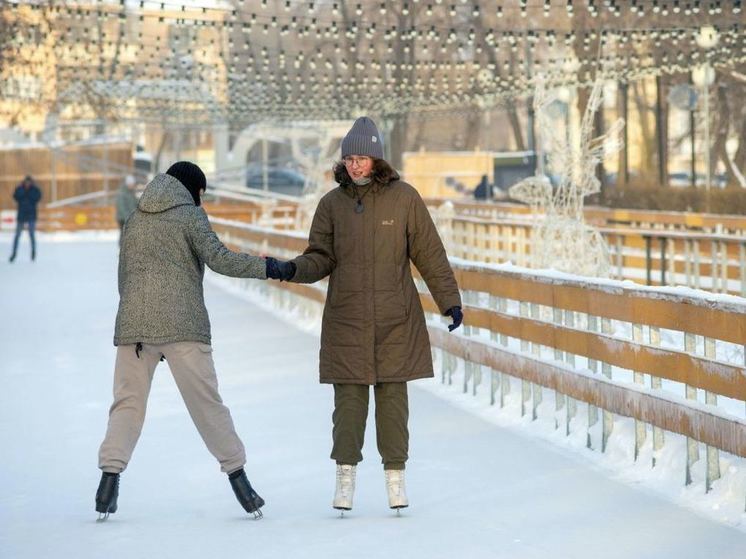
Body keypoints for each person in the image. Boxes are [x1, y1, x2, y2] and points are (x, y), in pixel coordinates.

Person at [265, 117, 463, 514]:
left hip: (396, 319)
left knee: (393, 404)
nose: (355, 165)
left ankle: (396, 480)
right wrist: (290, 269)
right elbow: (319, 258)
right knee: (349, 407)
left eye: (363, 158)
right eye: (350, 158)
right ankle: (345, 480)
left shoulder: (404, 199)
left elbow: (429, 253)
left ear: (377, 159)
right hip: (348, 319)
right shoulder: (331, 205)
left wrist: (449, 300)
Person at [95, 161, 271, 521]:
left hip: (134, 329)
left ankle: (108, 482)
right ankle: (241, 483)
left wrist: (136, 318)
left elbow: (123, 275)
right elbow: (220, 259)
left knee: (126, 404)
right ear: (193, 189)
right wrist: (269, 267)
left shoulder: (135, 219)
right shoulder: (190, 216)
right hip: (183, 326)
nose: (202, 200)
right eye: (201, 193)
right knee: (207, 405)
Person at [9, 175, 42, 263]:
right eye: (26, 182)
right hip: (21, 216)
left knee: (31, 235)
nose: (27, 184)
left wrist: (28, 193)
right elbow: (15, 196)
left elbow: (38, 197)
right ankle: (14, 253)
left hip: (31, 215)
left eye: (29, 182)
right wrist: (23, 191)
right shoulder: (20, 189)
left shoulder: (35, 190)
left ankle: (33, 253)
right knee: (17, 236)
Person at [115, 175, 138, 246]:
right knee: (124, 233)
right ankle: (122, 248)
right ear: (128, 184)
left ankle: (127, 248)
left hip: (130, 217)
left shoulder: (131, 193)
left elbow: (135, 203)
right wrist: (127, 217)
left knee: (129, 233)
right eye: (131, 184)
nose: (133, 186)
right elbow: (121, 206)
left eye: (133, 184)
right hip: (122, 218)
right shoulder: (122, 193)